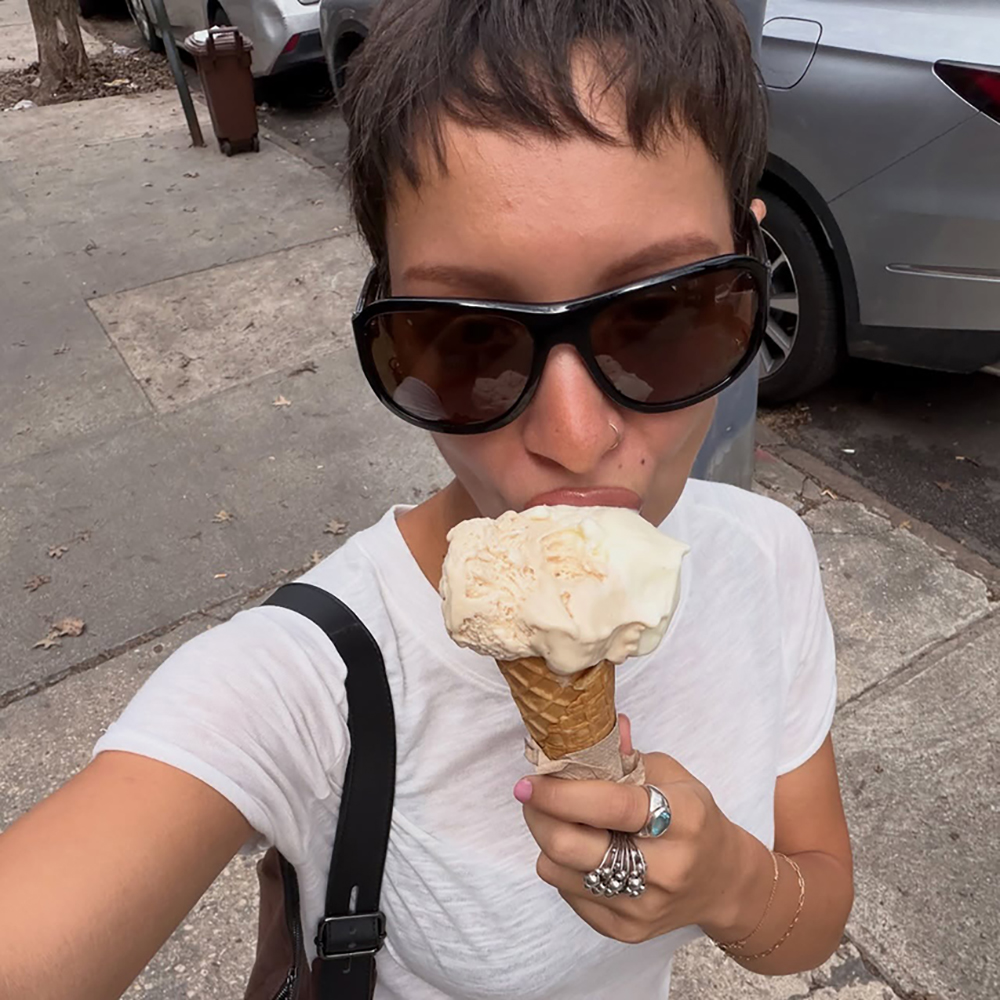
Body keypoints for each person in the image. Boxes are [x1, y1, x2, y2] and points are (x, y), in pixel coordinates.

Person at [0, 0, 854, 997]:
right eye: (469, 341)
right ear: (386, 325)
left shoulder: (766, 557)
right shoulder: (313, 677)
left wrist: (729, 883)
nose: (573, 435)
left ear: (751, 271)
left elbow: (809, 915)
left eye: (661, 314)